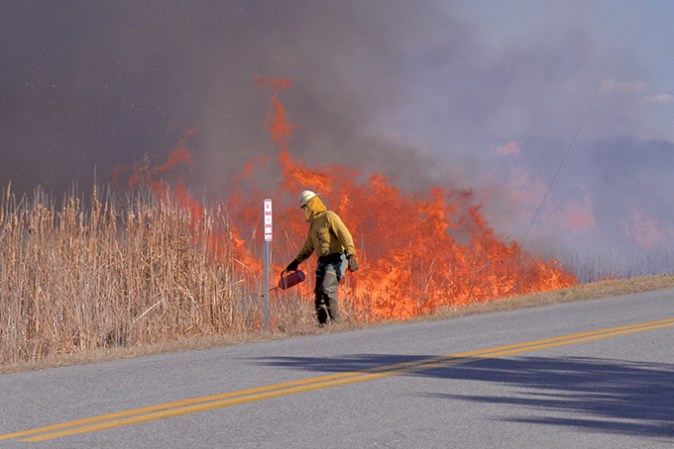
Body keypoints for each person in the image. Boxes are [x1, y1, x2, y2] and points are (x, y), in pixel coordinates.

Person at [285, 190, 359, 325]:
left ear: (311, 204)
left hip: (336, 259)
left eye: (305, 207)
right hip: (323, 261)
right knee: (319, 294)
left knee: (327, 288)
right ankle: (322, 326)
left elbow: (345, 235)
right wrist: (296, 262)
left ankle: (337, 324)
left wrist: (351, 255)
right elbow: (308, 247)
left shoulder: (329, 217)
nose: (304, 210)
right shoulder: (314, 225)